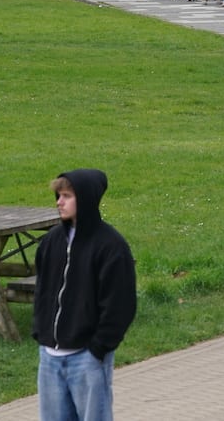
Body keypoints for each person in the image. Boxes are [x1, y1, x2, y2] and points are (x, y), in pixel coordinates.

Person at [34, 169, 137, 421]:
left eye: (67, 196)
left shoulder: (111, 247)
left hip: (87, 358)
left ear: (86, 199)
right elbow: (42, 291)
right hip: (50, 358)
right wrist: (42, 333)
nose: (59, 202)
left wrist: (98, 348)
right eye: (58, 195)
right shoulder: (50, 242)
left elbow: (120, 305)